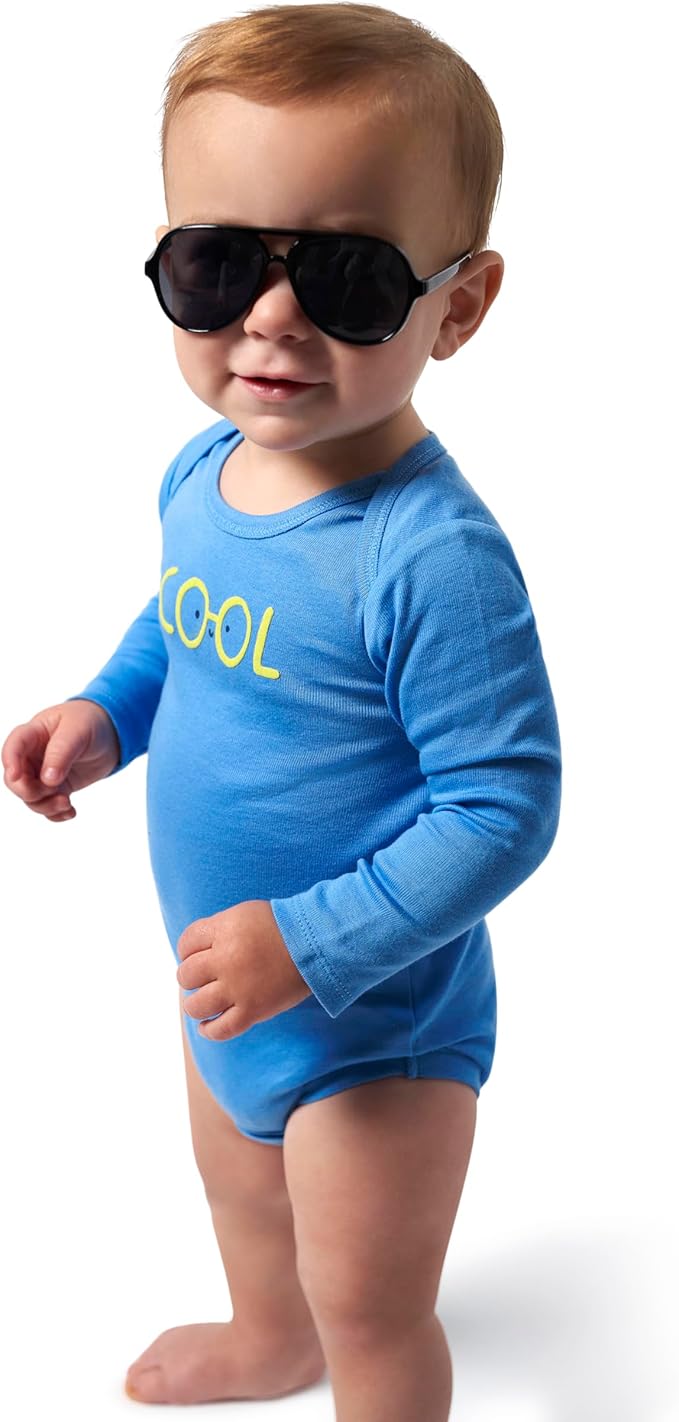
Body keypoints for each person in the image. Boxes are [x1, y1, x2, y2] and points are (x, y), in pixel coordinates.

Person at [1, 4, 561, 1417]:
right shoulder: (207, 469)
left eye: (348, 279)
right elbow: (186, 618)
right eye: (218, 263)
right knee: (244, 1198)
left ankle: (345, 1358)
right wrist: (111, 709)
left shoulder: (428, 555)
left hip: (373, 1016)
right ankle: (271, 1336)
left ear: (458, 307)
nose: (269, 316)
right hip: (227, 982)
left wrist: (311, 946)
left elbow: (504, 806)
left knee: (371, 1299)